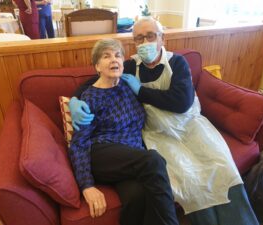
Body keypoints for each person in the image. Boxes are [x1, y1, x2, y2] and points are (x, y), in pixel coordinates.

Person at [69, 18, 260, 225]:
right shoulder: (127, 70)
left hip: (183, 129)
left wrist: (141, 91)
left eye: (150, 36)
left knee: (219, 168)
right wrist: (74, 100)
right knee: (174, 171)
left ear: (162, 37)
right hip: (139, 141)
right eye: (139, 38)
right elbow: (97, 81)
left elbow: (182, 102)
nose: (145, 42)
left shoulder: (171, 64)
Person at [68, 38, 179, 225]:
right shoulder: (89, 97)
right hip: (101, 154)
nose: (114, 60)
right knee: (153, 159)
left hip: (129, 157)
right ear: (97, 66)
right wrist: (86, 186)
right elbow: (78, 144)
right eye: (106, 56)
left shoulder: (129, 85)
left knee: (137, 196)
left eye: (118, 55)